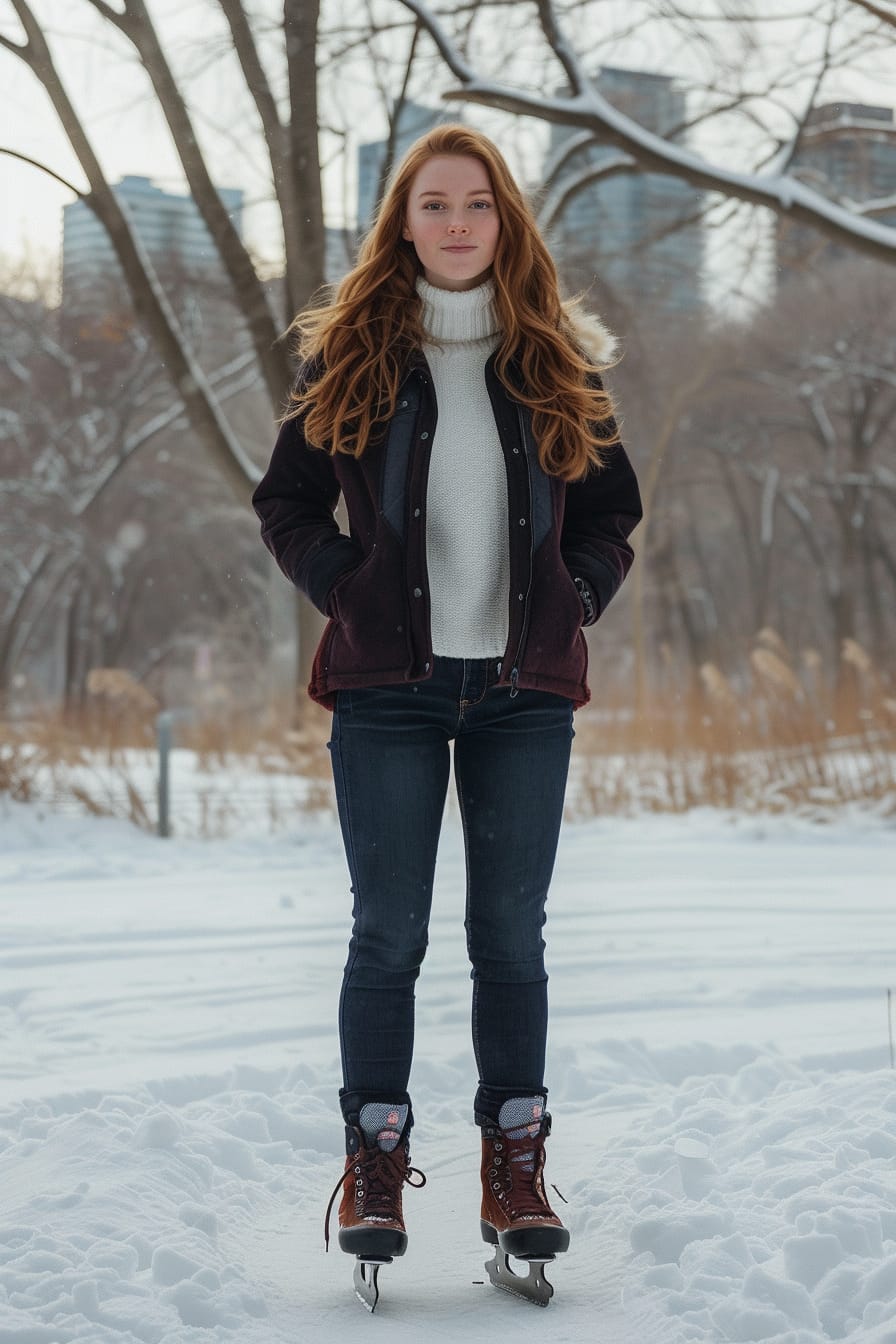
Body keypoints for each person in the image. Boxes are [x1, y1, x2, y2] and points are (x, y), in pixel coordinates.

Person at [252, 124, 642, 1305]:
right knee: (388, 933)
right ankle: (375, 1158)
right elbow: (285, 499)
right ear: (404, 223)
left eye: (477, 203)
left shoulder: (557, 360)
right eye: (434, 204)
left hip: (524, 693)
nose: (458, 222)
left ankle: (512, 1169)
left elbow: (610, 514)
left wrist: (576, 594)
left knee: (508, 936)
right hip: (390, 691)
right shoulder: (357, 357)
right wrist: (342, 584)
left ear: (504, 220)